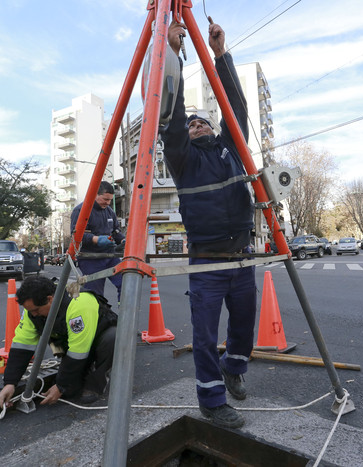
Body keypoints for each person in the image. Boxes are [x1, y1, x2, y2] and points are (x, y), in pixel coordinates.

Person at [161, 21, 256, 429]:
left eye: (203, 122)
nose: (197, 125)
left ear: (215, 130)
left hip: (242, 258)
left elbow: (237, 109)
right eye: (193, 124)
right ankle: (212, 399)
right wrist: (176, 56)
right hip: (205, 263)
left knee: (244, 325)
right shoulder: (183, 160)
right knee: (203, 334)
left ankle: (233, 368)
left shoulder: (231, 151)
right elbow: (175, 115)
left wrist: (222, 56)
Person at [0, 276, 117, 408]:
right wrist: (10, 383)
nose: (34, 314)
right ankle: (83, 370)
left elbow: (78, 351)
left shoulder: (78, 302)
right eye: (31, 311)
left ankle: (96, 384)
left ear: (50, 299)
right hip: (72, 342)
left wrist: (61, 386)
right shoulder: (32, 308)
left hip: (98, 337)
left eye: (36, 310)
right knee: (71, 391)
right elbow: (22, 345)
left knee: (113, 338)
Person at [70, 181, 125, 300]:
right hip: (90, 258)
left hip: (109, 256)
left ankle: (124, 315)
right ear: (95, 194)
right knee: (95, 294)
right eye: (105, 199)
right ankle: (99, 317)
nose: (108, 203)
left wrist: (123, 241)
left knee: (125, 283)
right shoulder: (80, 211)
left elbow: (116, 232)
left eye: (110, 200)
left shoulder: (110, 212)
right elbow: (76, 235)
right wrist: (96, 239)